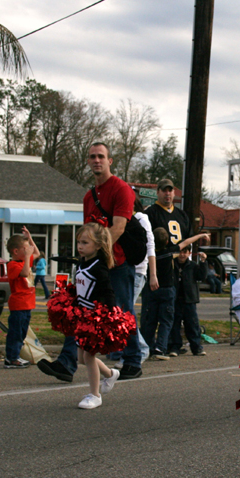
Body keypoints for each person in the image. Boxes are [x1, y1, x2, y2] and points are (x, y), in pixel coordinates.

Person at [38, 142, 142, 382]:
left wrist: (102, 259)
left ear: (109, 161)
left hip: (117, 264)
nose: (97, 160)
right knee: (79, 312)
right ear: (88, 161)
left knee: (122, 312)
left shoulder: (121, 189)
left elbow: (118, 227)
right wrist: (85, 259)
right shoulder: (88, 196)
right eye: (93, 157)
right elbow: (88, 232)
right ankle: (66, 364)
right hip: (93, 266)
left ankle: (133, 360)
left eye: (101, 157)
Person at [141, 228, 209, 360]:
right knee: (167, 322)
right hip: (168, 290)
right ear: (167, 241)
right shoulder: (168, 253)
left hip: (154, 290)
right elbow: (186, 242)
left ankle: (148, 347)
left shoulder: (149, 255)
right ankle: (162, 347)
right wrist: (200, 235)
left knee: (151, 320)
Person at [73, 223, 120, 410]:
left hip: (95, 319)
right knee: (81, 359)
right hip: (82, 318)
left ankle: (95, 395)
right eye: (78, 242)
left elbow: (108, 293)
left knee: (89, 356)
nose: (80, 246)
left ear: (98, 245)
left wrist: (108, 314)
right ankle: (110, 374)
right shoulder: (82, 263)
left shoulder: (99, 267)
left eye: (85, 242)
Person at [4, 227, 40, 369]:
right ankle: (11, 358)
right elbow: (25, 273)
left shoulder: (24, 260)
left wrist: (29, 238)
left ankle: (16, 355)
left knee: (22, 332)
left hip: (27, 305)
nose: (29, 251)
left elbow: (37, 252)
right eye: (25, 249)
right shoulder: (13, 265)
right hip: (18, 304)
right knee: (16, 333)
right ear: (16, 251)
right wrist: (26, 258)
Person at [170, 247, 208, 356]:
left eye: (184, 252)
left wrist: (203, 262)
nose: (182, 255)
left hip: (189, 299)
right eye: (180, 252)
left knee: (192, 324)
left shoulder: (192, 266)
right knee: (174, 324)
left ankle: (196, 347)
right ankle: (175, 347)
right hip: (175, 299)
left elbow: (201, 276)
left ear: (189, 253)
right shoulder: (172, 264)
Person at [132, 197, 156, 364]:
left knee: (126, 311)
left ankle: (141, 348)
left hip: (138, 271)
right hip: (122, 269)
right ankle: (123, 347)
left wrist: (152, 274)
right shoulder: (120, 219)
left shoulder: (141, 218)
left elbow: (150, 246)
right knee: (121, 310)